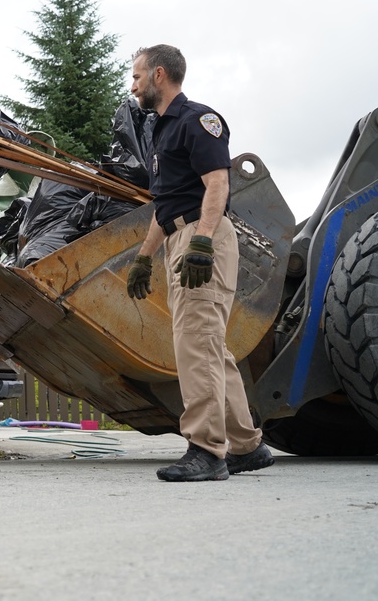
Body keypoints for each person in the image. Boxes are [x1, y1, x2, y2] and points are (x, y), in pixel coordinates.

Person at [126, 44, 274, 481]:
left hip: (201, 237)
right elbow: (167, 205)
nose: (132, 85)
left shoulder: (197, 121)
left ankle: (207, 450)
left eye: (136, 76)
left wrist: (203, 242)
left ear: (158, 75)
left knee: (196, 344)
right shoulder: (160, 130)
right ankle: (246, 446)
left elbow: (217, 185)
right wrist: (144, 257)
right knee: (208, 344)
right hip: (179, 236)